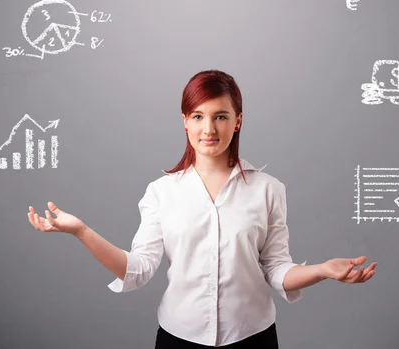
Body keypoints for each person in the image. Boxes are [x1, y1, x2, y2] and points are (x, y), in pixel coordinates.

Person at [27, 69, 377, 348]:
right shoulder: (161, 192)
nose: (208, 129)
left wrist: (324, 270)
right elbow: (137, 269)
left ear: (238, 120)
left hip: (252, 338)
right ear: (185, 120)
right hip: (179, 339)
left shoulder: (268, 190)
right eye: (198, 116)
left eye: (221, 116)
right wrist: (81, 232)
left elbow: (276, 269)